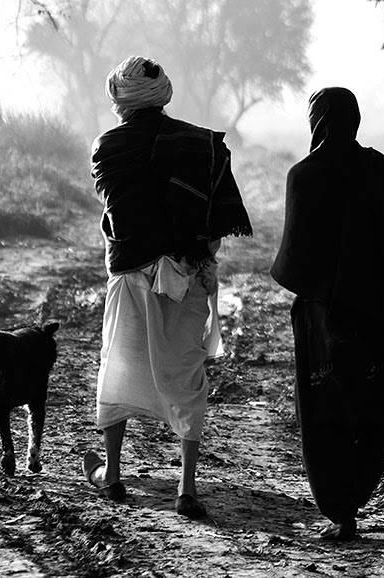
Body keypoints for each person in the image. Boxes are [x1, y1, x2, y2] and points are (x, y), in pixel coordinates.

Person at [82, 55, 252, 519]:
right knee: (185, 376)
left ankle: (111, 475)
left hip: (130, 276)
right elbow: (213, 226)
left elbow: (117, 211)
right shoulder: (203, 146)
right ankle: (187, 489)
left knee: (117, 368)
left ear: (120, 99)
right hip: (188, 274)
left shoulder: (107, 147)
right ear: (164, 94)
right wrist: (196, 259)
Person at [270, 87, 384, 540]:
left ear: (316, 122)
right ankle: (355, 498)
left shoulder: (304, 175)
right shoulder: (383, 170)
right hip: (380, 319)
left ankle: (342, 512)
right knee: (370, 409)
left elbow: (293, 266)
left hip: (325, 324)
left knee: (327, 414)